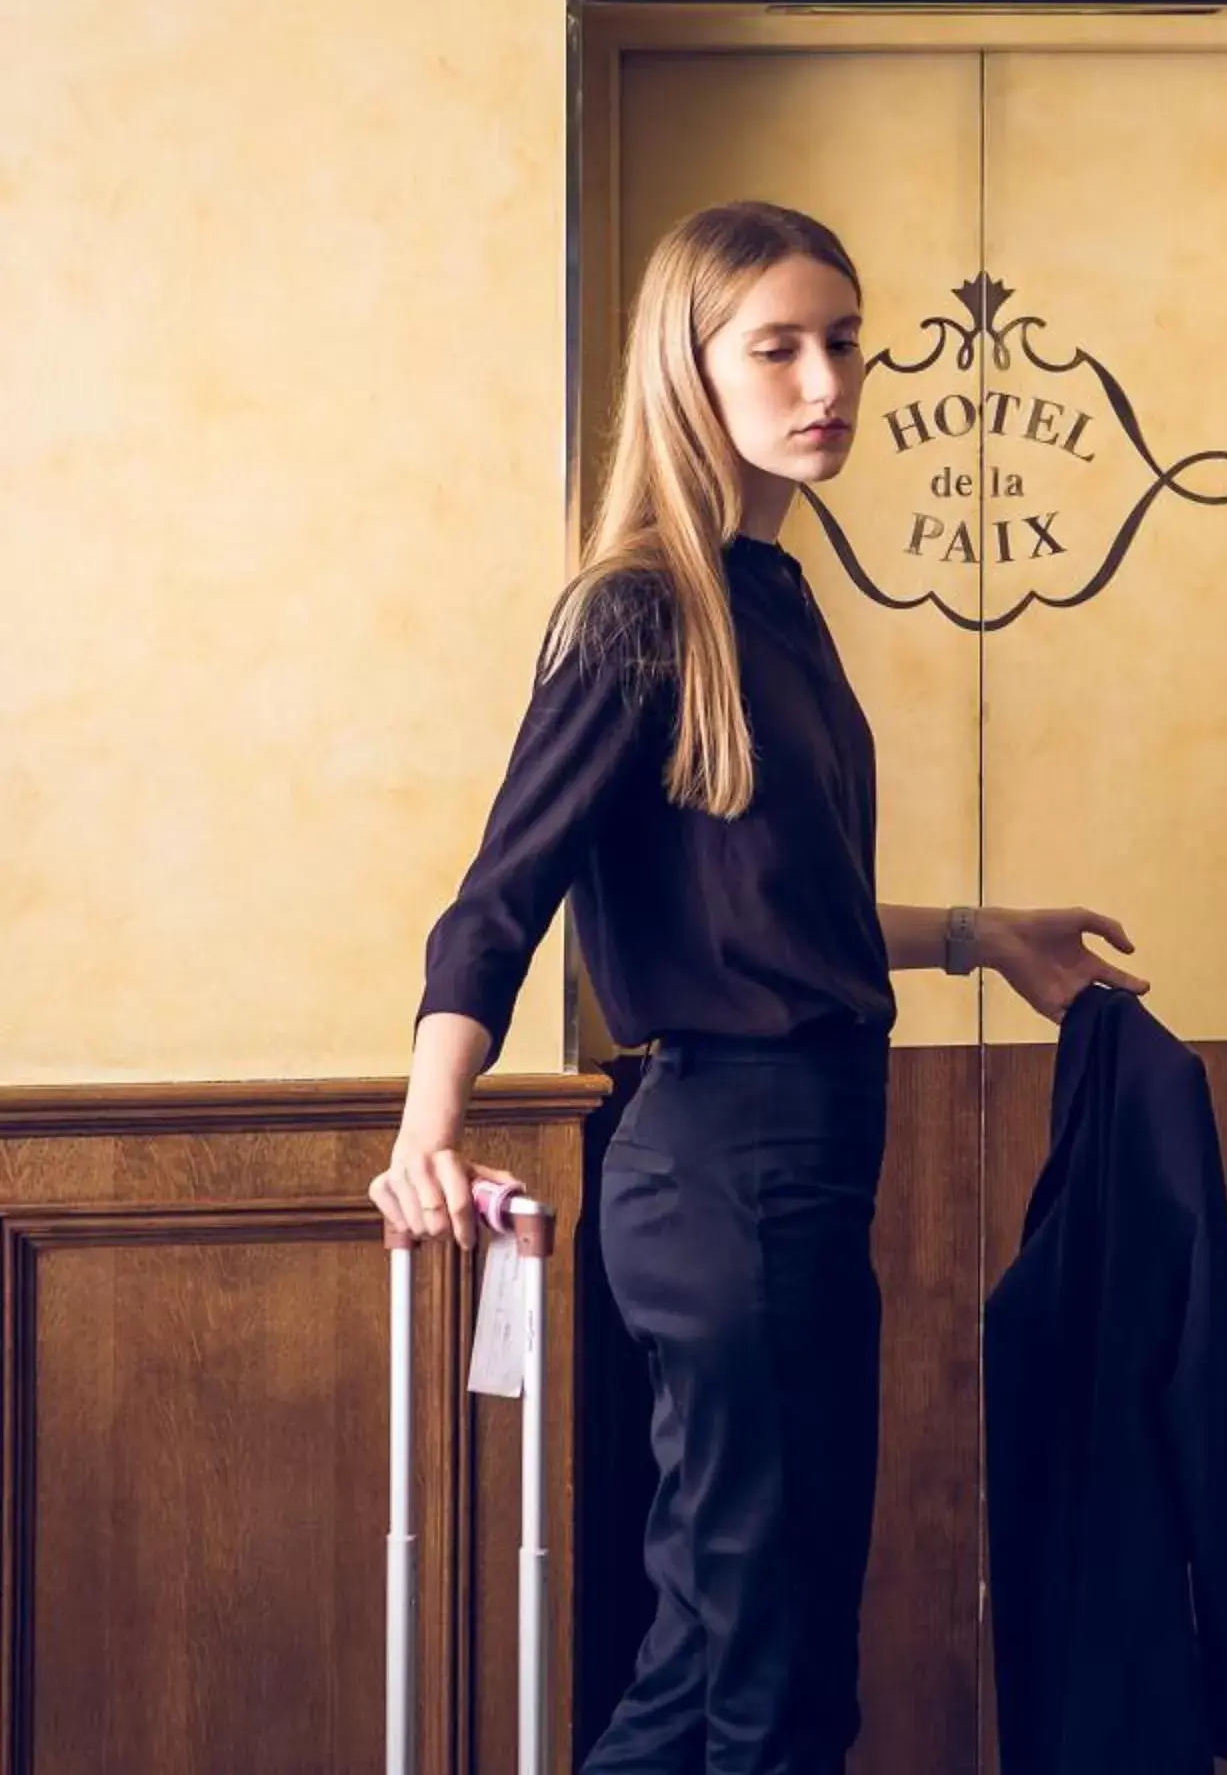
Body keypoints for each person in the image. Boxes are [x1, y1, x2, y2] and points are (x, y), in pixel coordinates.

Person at [365, 199, 1145, 1774]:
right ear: (691, 370)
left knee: (724, 1651)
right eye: (777, 347)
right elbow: (500, 896)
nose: (824, 381)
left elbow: (775, 909)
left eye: (844, 342)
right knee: (766, 1674)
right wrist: (424, 1124)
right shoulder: (639, 608)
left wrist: (979, 934)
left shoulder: (769, 597)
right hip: (726, 1172)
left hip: (793, 1168)